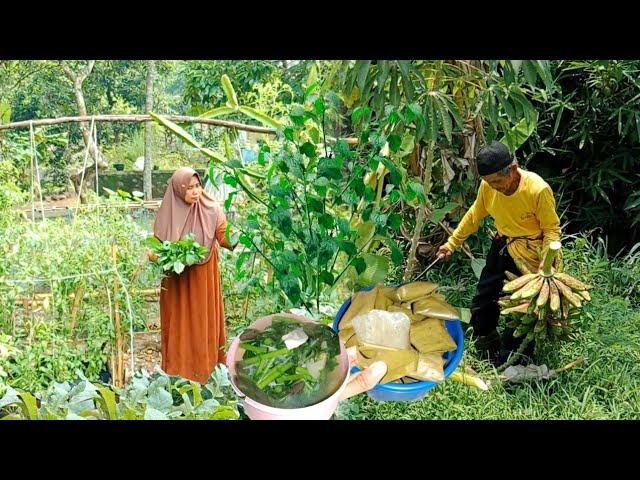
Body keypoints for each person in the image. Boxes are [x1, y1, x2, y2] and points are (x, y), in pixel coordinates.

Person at [436, 141, 562, 366]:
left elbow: (551, 230)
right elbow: (475, 214)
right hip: (503, 245)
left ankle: (514, 361)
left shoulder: (537, 189)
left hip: (533, 254)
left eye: (497, 182)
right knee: (484, 299)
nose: (493, 187)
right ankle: (487, 346)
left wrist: (546, 264)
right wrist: (451, 243)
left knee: (522, 309)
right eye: (488, 182)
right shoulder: (488, 187)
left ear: (512, 169)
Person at [150, 167, 237, 383]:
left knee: (203, 324)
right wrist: (161, 255)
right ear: (178, 191)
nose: (195, 192)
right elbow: (156, 249)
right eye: (189, 188)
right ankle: (178, 375)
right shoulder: (168, 213)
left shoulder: (211, 210)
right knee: (179, 328)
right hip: (177, 286)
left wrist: (237, 238)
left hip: (203, 283)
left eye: (197, 186)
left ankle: (207, 374)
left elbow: (225, 236)